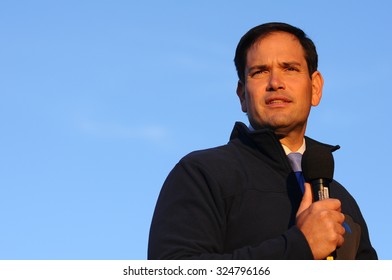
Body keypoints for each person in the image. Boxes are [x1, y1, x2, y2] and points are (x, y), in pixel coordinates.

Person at [148, 22, 377, 260]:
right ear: (242, 95)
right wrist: (298, 248)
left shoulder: (341, 200)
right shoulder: (202, 173)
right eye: (259, 72)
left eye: (290, 68)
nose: (275, 82)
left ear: (316, 87)